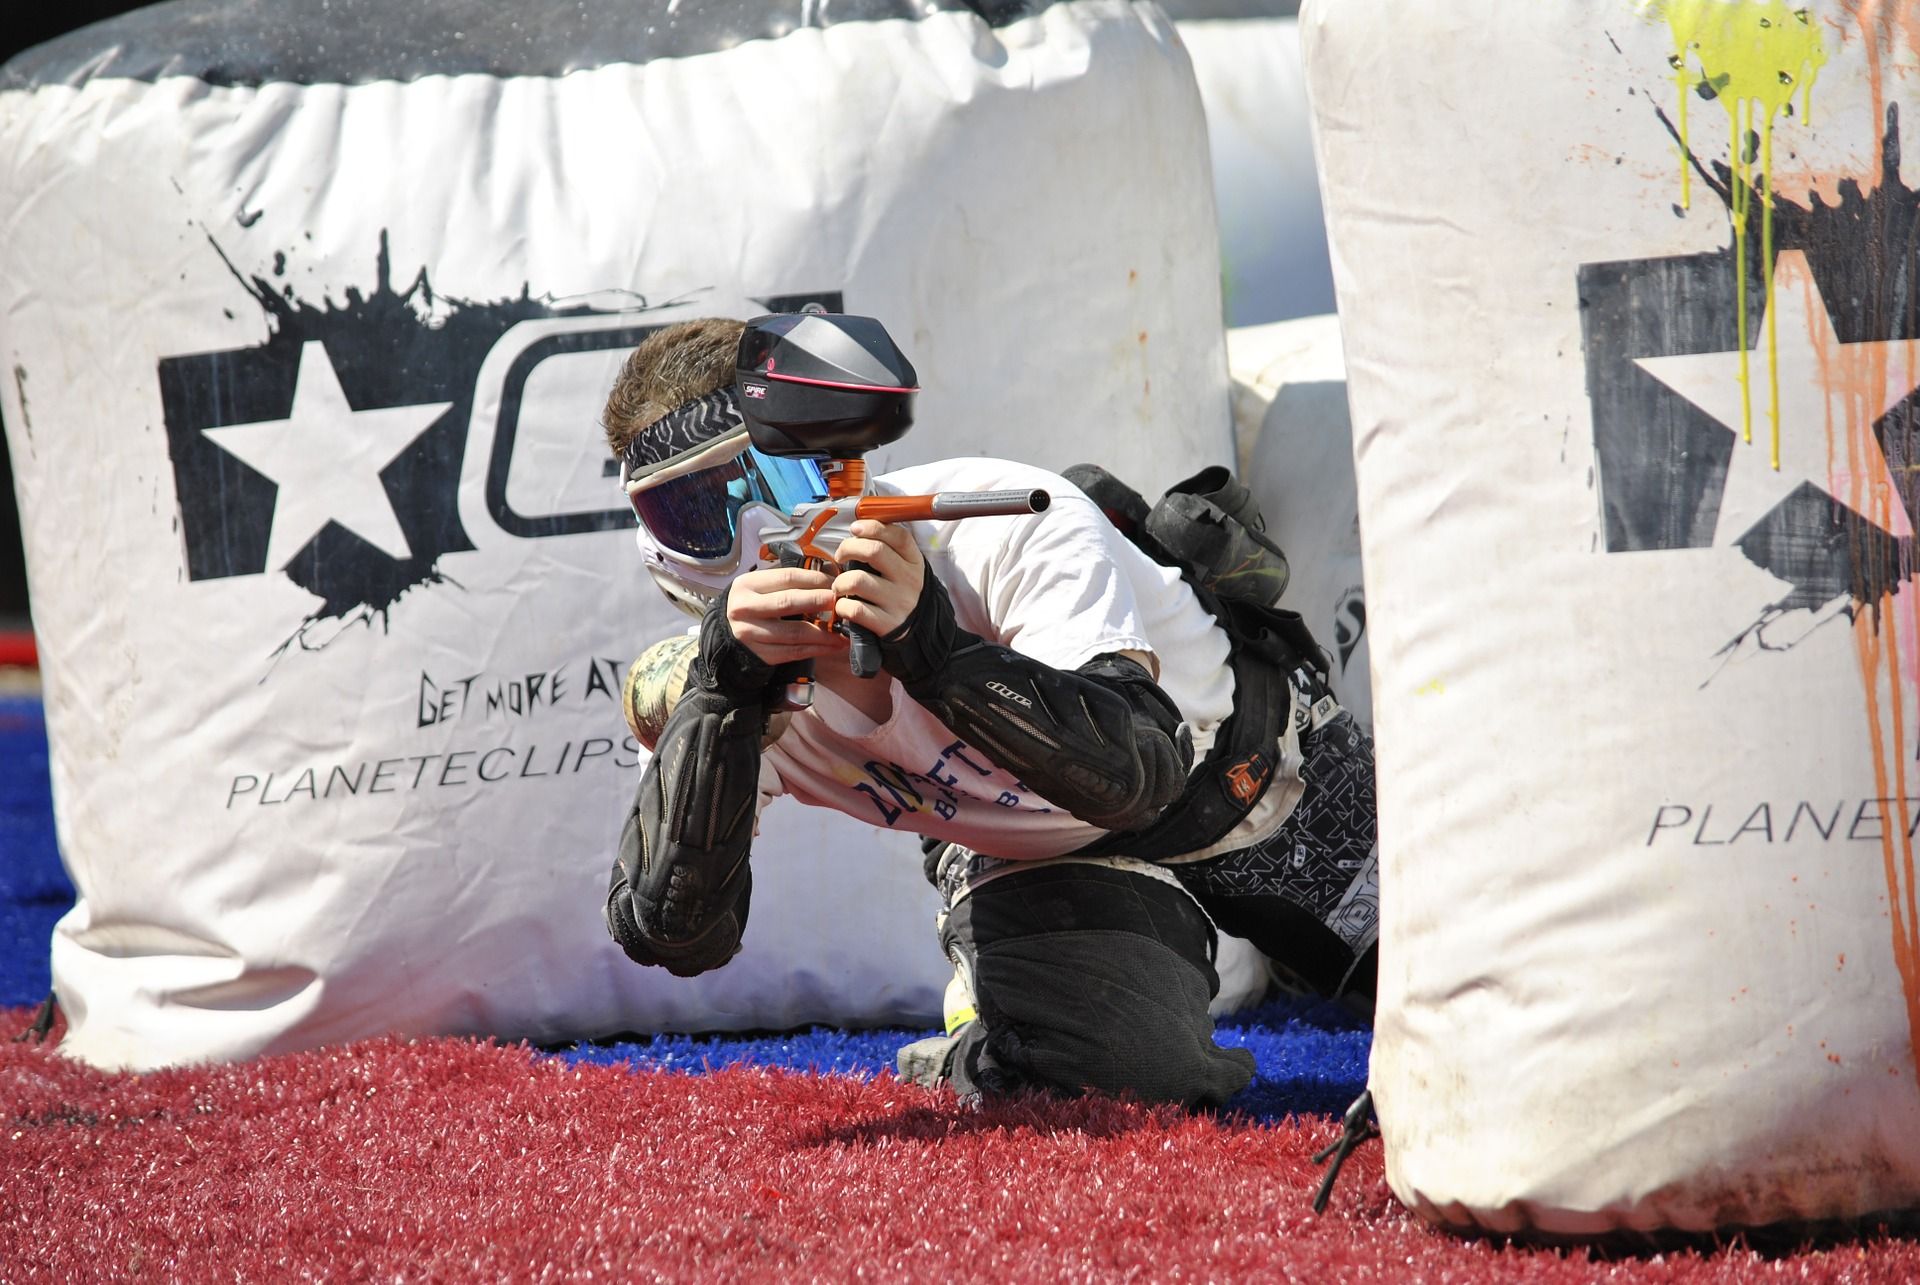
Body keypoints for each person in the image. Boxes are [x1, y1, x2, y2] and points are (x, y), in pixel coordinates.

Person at [600, 313, 1379, 1109]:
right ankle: (1002, 1015)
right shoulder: (717, 684)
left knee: (1476, 981)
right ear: (660, 552)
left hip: (1253, 778)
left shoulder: (1004, 527)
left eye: (783, 481)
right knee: (1114, 1080)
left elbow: (1138, 772)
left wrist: (930, 647)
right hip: (1038, 861)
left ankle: (1297, 945)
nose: (761, 536)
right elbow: (676, 931)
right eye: (700, 516)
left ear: (844, 463)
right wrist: (726, 702)